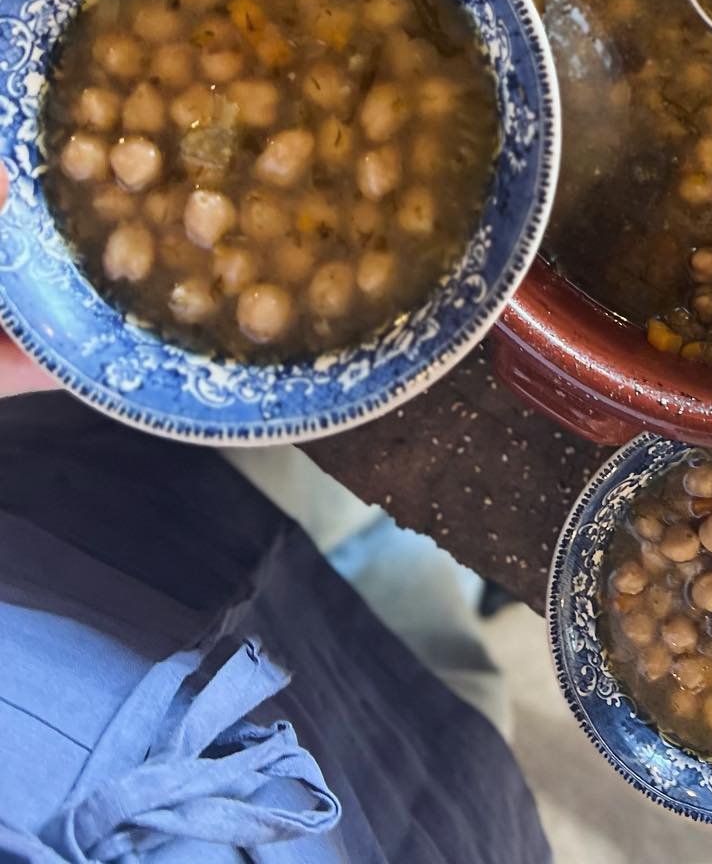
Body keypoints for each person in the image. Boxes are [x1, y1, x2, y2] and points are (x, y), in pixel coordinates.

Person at [0, 168, 552, 864]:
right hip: (396, 799)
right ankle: (426, 566)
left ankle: (412, 558)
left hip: (97, 527)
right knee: (439, 659)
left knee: (352, 549)